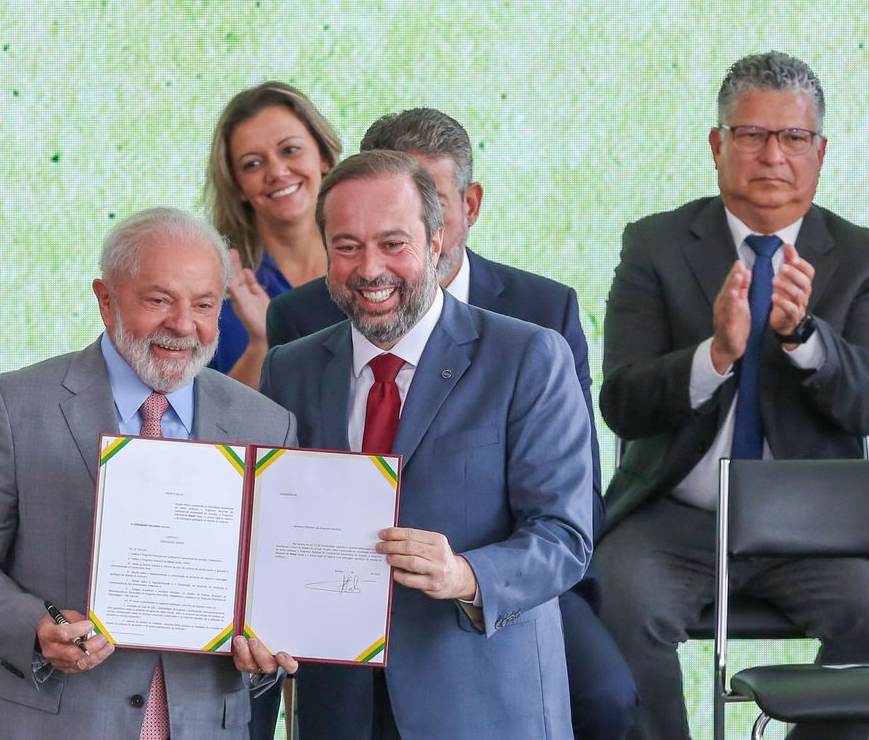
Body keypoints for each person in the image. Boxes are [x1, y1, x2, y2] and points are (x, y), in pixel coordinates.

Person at [260, 108, 635, 740]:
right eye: (347, 246)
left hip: (478, 695)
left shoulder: (528, 356)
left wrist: (465, 575)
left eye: (393, 243)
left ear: (437, 242)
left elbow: (565, 535)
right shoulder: (290, 368)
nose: (369, 268)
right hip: (338, 701)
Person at [596, 50, 869, 740]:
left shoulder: (868, 259)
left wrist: (805, 338)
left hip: (814, 524)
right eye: (752, 134)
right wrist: (714, 355)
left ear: (820, 153)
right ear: (718, 146)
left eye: (793, 137)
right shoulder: (655, 246)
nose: (773, 155)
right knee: (618, 605)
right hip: (674, 516)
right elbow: (621, 401)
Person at [0, 208, 297, 738]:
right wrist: (36, 629)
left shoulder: (267, 424)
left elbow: (276, 588)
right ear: (105, 298)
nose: (183, 325)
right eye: (159, 300)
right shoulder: (13, 405)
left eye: (204, 304)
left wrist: (267, 653)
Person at [205, 80, 342, 387]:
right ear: (237, 185)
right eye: (252, 164)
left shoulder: (374, 270)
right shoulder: (215, 294)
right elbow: (207, 414)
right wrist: (261, 344)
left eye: (290, 150)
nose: (277, 172)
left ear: (323, 156)